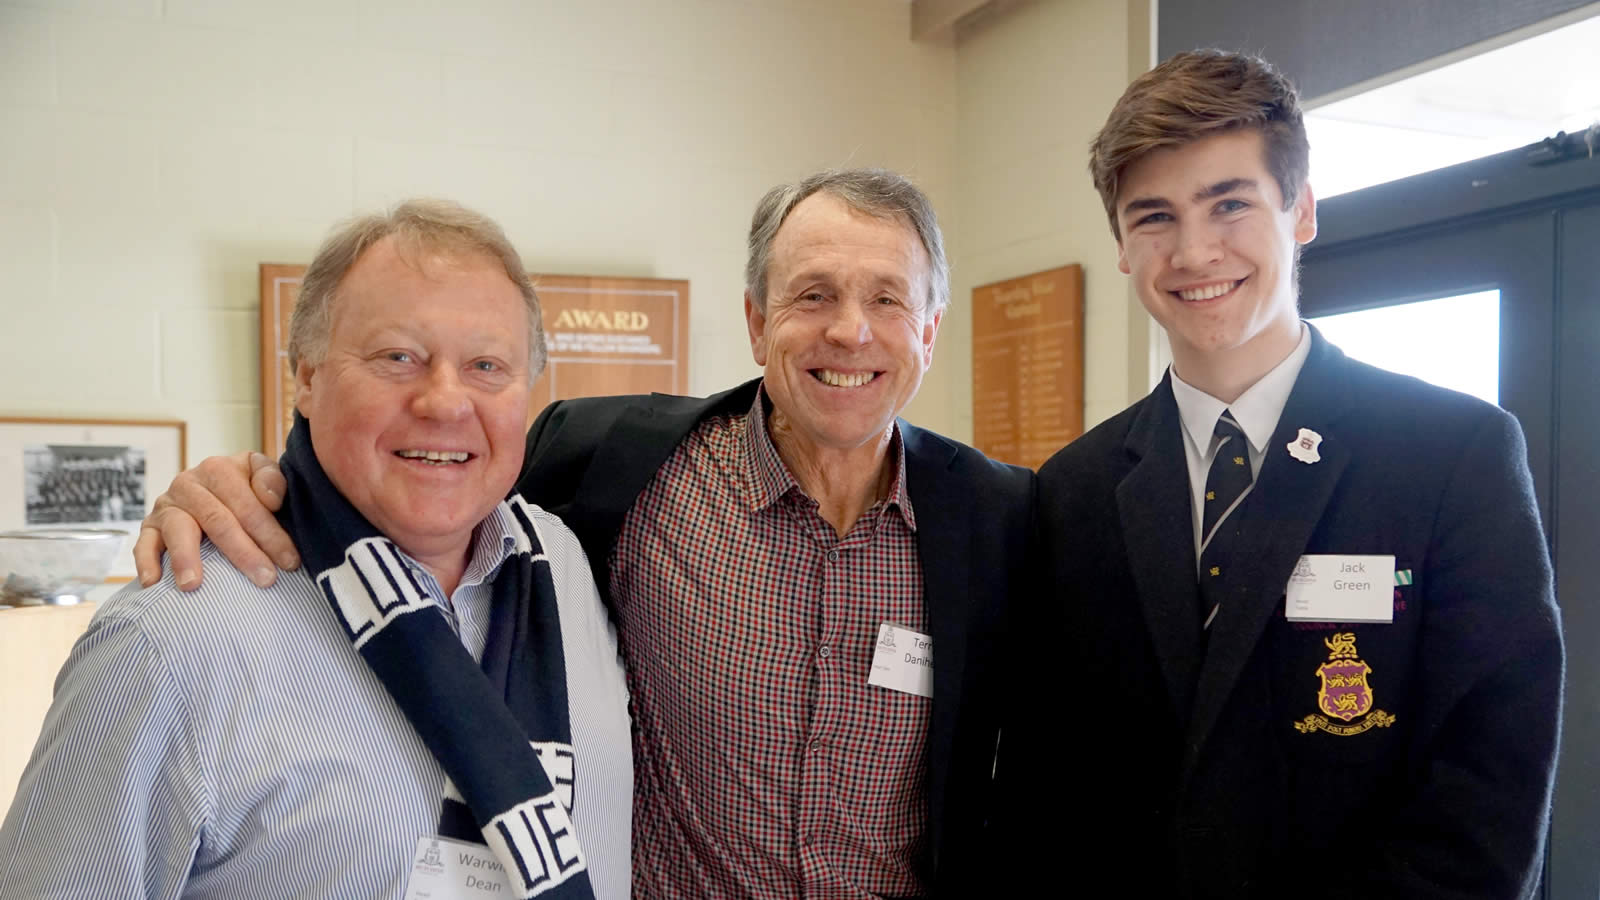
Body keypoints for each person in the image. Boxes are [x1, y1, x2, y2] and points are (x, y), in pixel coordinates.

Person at [131, 169, 1035, 898]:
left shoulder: (999, 518)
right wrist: (248, 486)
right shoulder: (616, 464)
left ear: (929, 328)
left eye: (887, 299)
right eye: (813, 294)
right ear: (758, 323)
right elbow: (423, 470)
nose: (850, 330)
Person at [1001, 50, 1564, 897]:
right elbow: (1050, 785)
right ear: (1121, 243)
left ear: (1301, 210)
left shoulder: (1454, 453)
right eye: (1153, 217)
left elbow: (1491, 785)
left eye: (1230, 205)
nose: (1194, 252)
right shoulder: (1073, 489)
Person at [0, 200, 632, 899]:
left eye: (487, 366)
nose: (446, 402)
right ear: (306, 377)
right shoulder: (169, 640)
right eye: (399, 357)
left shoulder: (570, 567)